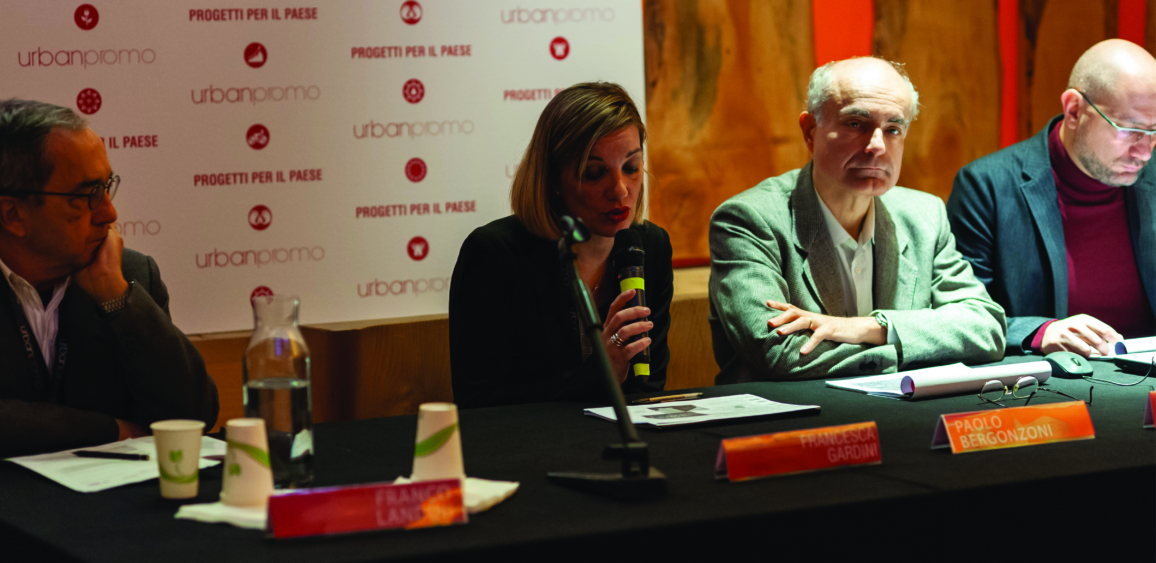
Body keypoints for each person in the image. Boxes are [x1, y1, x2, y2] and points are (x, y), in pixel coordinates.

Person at [709, 57, 1006, 382]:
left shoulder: (925, 215)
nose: (877, 146)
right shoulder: (750, 220)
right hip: (795, 413)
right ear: (810, 131)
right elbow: (780, 353)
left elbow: (985, 327)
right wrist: (915, 346)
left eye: (893, 129)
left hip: (902, 411)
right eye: (855, 124)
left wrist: (872, 327)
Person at [0, 99, 218, 456]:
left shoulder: (129, 276)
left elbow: (193, 416)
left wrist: (117, 298)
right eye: (85, 195)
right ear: (12, 215)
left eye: (106, 187)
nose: (109, 212)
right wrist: (108, 429)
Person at [449, 83, 671, 407]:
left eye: (631, 168)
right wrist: (598, 373)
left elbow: (648, 388)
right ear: (553, 178)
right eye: (594, 172)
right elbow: (479, 403)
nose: (621, 190)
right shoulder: (493, 255)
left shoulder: (652, 246)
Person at [948, 39, 1156, 357]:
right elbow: (961, 315)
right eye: (1130, 130)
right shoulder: (986, 186)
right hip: (1052, 380)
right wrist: (1038, 332)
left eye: (1154, 132)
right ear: (1074, 110)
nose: (1144, 152)